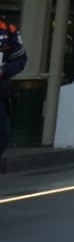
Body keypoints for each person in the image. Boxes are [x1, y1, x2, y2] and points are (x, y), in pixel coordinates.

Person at [0, 17, 26, 159]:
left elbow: (20, 59)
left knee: (2, 133)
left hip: (1, 92)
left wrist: (4, 70)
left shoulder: (9, 30)